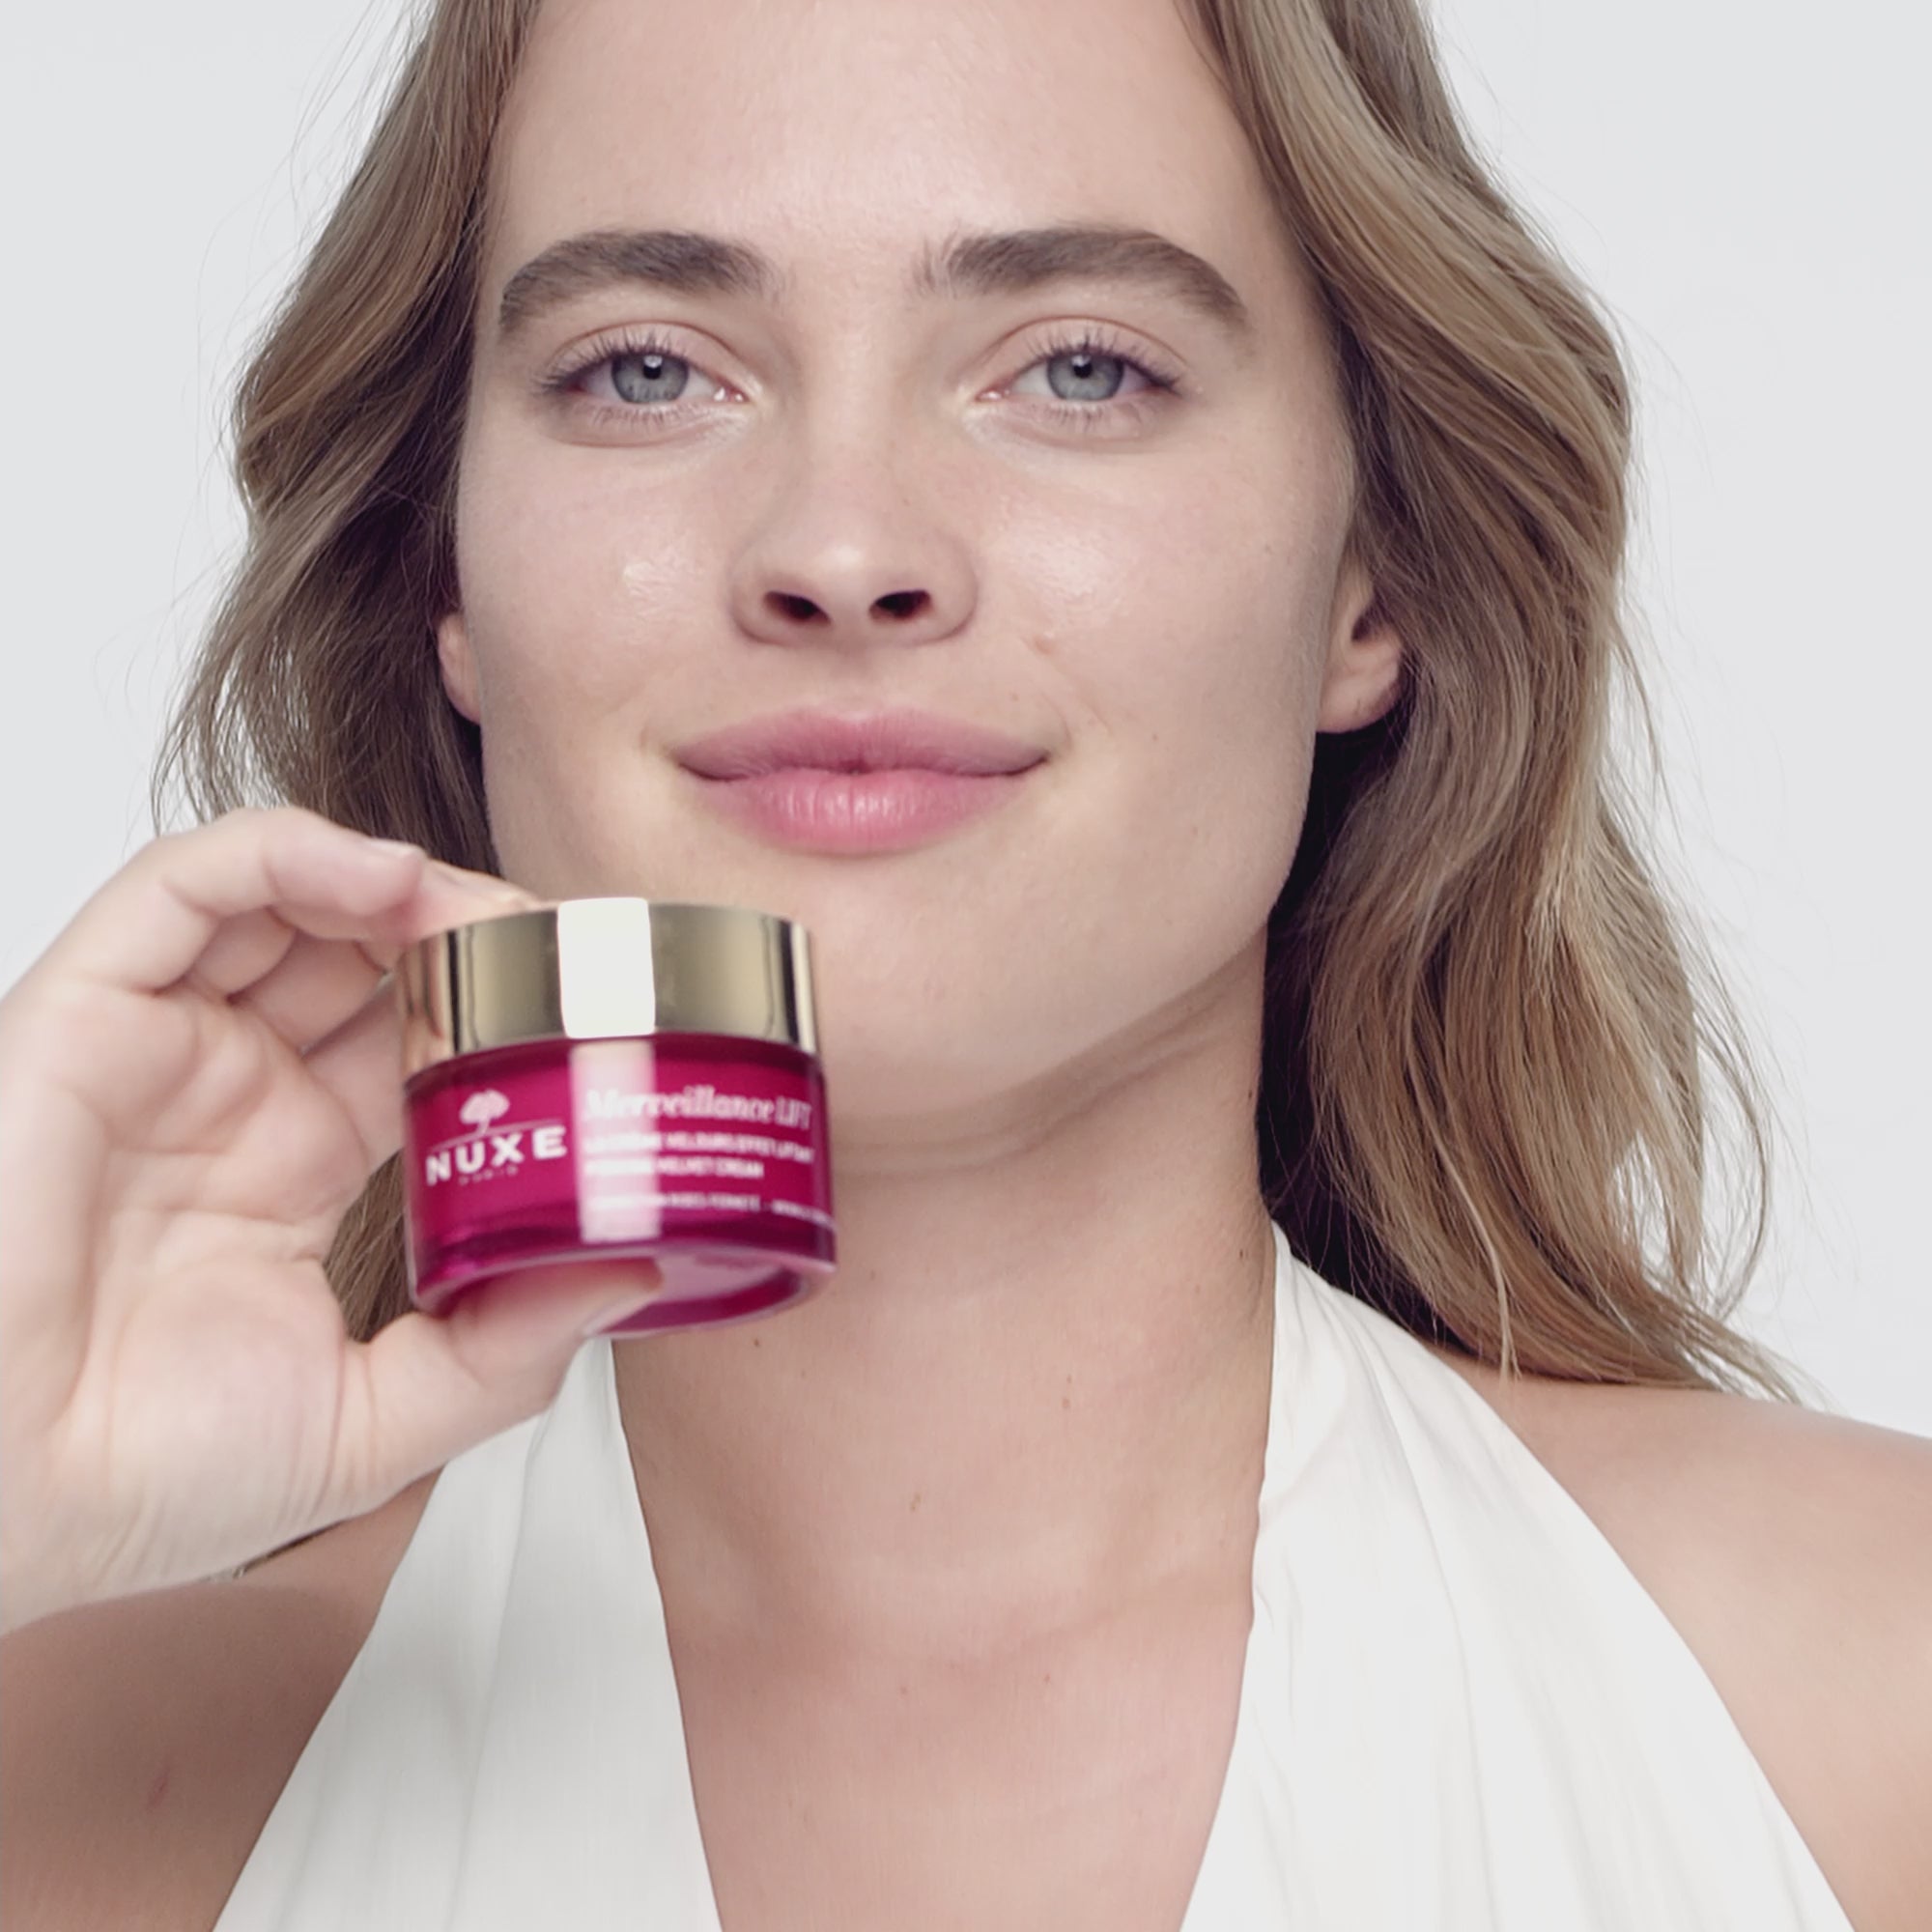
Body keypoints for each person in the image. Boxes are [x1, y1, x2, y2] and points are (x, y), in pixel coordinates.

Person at [0, 0, 1925, 1922]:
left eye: (1080, 369)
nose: (843, 549)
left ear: (1372, 574)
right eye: (649, 370)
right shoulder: (73, 1786)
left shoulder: (1868, 1713)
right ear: (451, 575)